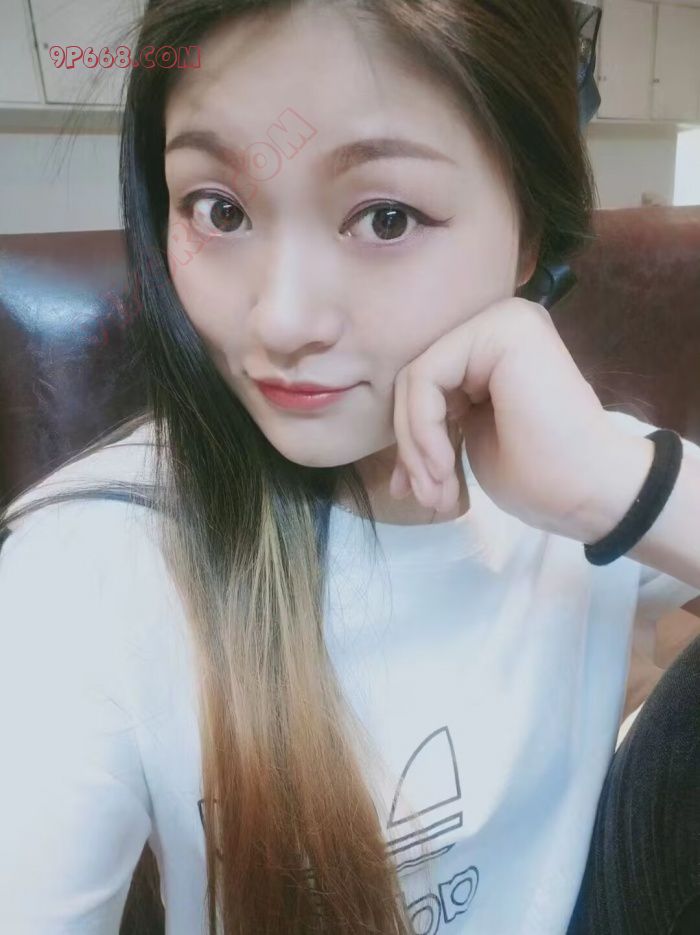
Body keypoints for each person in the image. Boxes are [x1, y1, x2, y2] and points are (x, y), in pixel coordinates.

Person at [0, 1, 698, 933]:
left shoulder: (577, 465)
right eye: (219, 209)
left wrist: (619, 490)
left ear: (529, 230)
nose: (281, 320)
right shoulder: (88, 566)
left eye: (386, 216)